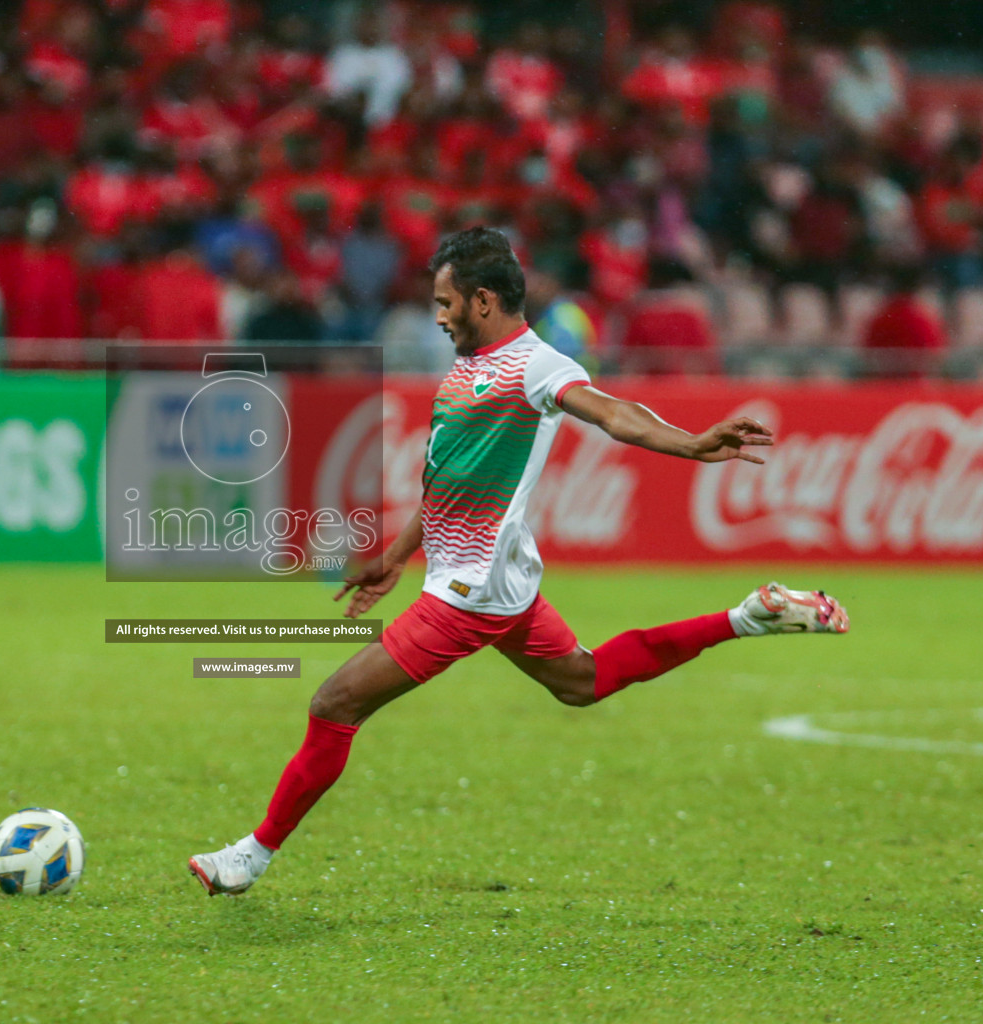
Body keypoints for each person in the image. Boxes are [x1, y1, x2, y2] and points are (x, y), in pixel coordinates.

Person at [188, 227, 850, 896]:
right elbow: (449, 483)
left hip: (469, 593)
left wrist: (691, 443)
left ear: (482, 300)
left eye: (446, 302)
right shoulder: (466, 368)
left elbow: (614, 414)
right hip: (495, 582)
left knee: (334, 704)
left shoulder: (535, 364)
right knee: (582, 681)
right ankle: (747, 618)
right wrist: (393, 557)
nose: (438, 315)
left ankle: (252, 855)